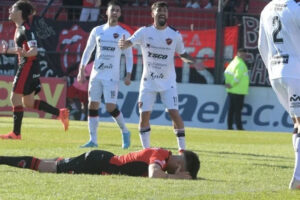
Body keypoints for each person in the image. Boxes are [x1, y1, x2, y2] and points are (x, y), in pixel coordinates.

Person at [118, 1, 205, 152]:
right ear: (153, 14)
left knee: (174, 114)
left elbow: (182, 54)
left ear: (168, 14)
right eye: (159, 11)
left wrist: (195, 62)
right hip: (148, 82)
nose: (162, 13)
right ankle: (146, 151)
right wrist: (124, 44)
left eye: (165, 11)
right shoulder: (144, 32)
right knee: (144, 115)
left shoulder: (174, 35)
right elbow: (129, 42)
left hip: (168, 82)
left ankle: (182, 150)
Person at [0, 0, 69, 140]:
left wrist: (24, 53)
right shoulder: (20, 28)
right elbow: (23, 50)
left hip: (28, 66)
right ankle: (60, 113)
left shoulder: (26, 29)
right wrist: (7, 50)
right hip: (29, 66)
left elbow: (34, 50)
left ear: (20, 12)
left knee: (15, 98)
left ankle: (16, 133)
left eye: (13, 9)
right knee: (28, 102)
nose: (9, 11)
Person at [77, 0, 133, 149]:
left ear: (120, 14)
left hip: (111, 76)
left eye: (117, 10)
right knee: (92, 104)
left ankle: (125, 132)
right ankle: (93, 140)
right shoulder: (97, 30)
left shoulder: (124, 33)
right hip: (96, 74)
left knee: (110, 107)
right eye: (112, 10)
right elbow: (88, 50)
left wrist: (128, 74)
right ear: (107, 12)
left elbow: (129, 55)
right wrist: (81, 69)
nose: (115, 12)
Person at [258, 0, 300, 190]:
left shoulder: (266, 9)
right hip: (295, 72)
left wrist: (273, 70)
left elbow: (261, 46)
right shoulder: (295, 9)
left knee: (296, 123)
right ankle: (298, 177)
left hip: (276, 73)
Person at [0, 147, 200, 179]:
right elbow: (153, 175)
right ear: (180, 166)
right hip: (97, 162)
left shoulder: (164, 160)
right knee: (47, 168)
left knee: (53, 163)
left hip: (100, 161)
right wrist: (174, 178)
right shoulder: (161, 154)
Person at [224, 48, 249, 130]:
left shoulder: (232, 63)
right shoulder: (240, 64)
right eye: (243, 54)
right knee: (238, 110)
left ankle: (229, 126)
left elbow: (226, 73)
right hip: (238, 90)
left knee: (231, 110)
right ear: (239, 53)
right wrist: (231, 84)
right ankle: (239, 127)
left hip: (232, 90)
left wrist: (228, 83)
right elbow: (237, 77)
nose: (245, 56)